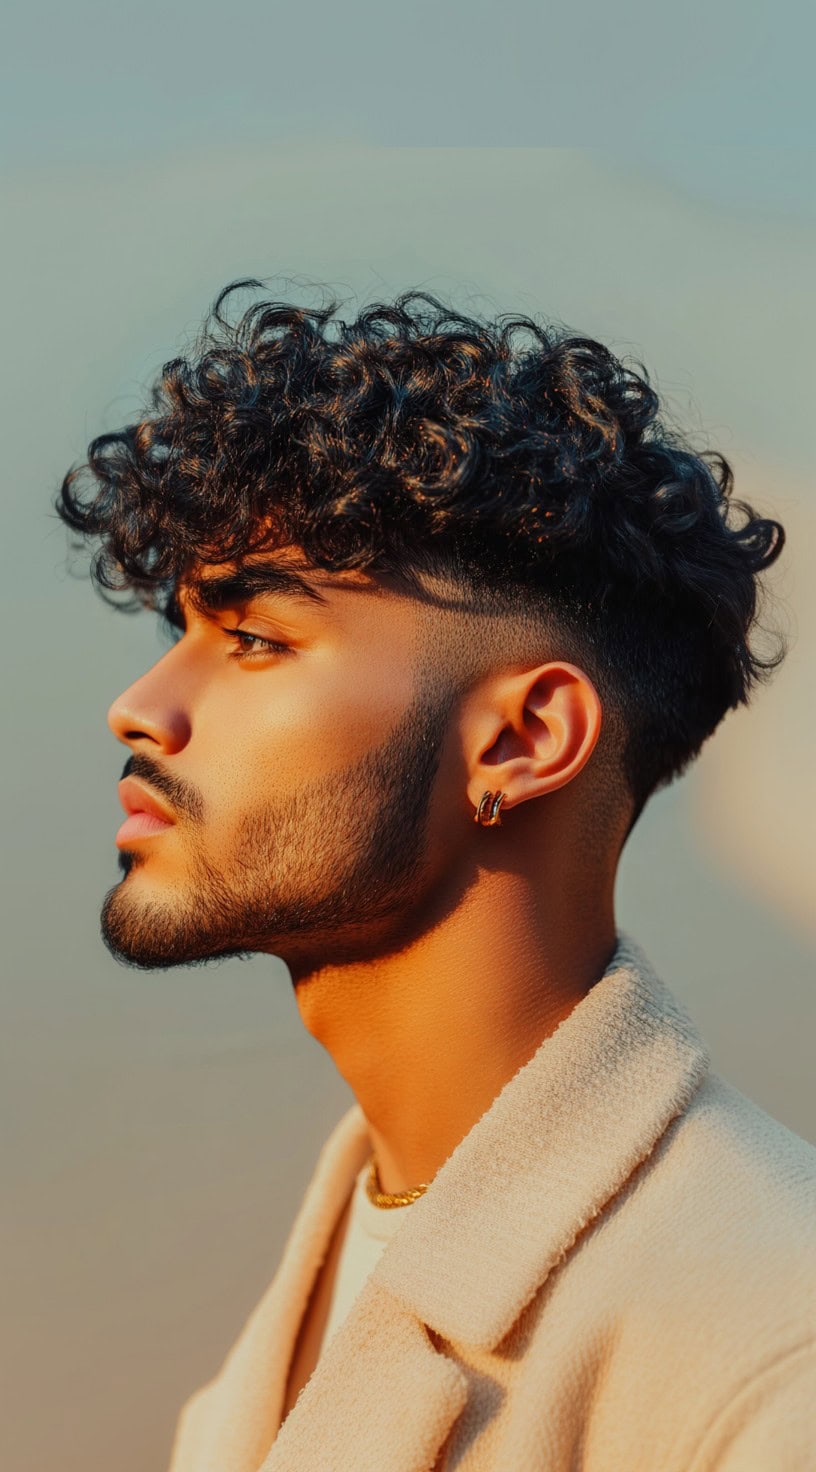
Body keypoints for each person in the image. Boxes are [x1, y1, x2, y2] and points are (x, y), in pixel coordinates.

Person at [55, 280, 816, 1471]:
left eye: (254, 639)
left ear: (520, 739)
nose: (141, 707)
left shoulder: (771, 1347)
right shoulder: (314, 1290)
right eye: (181, 632)